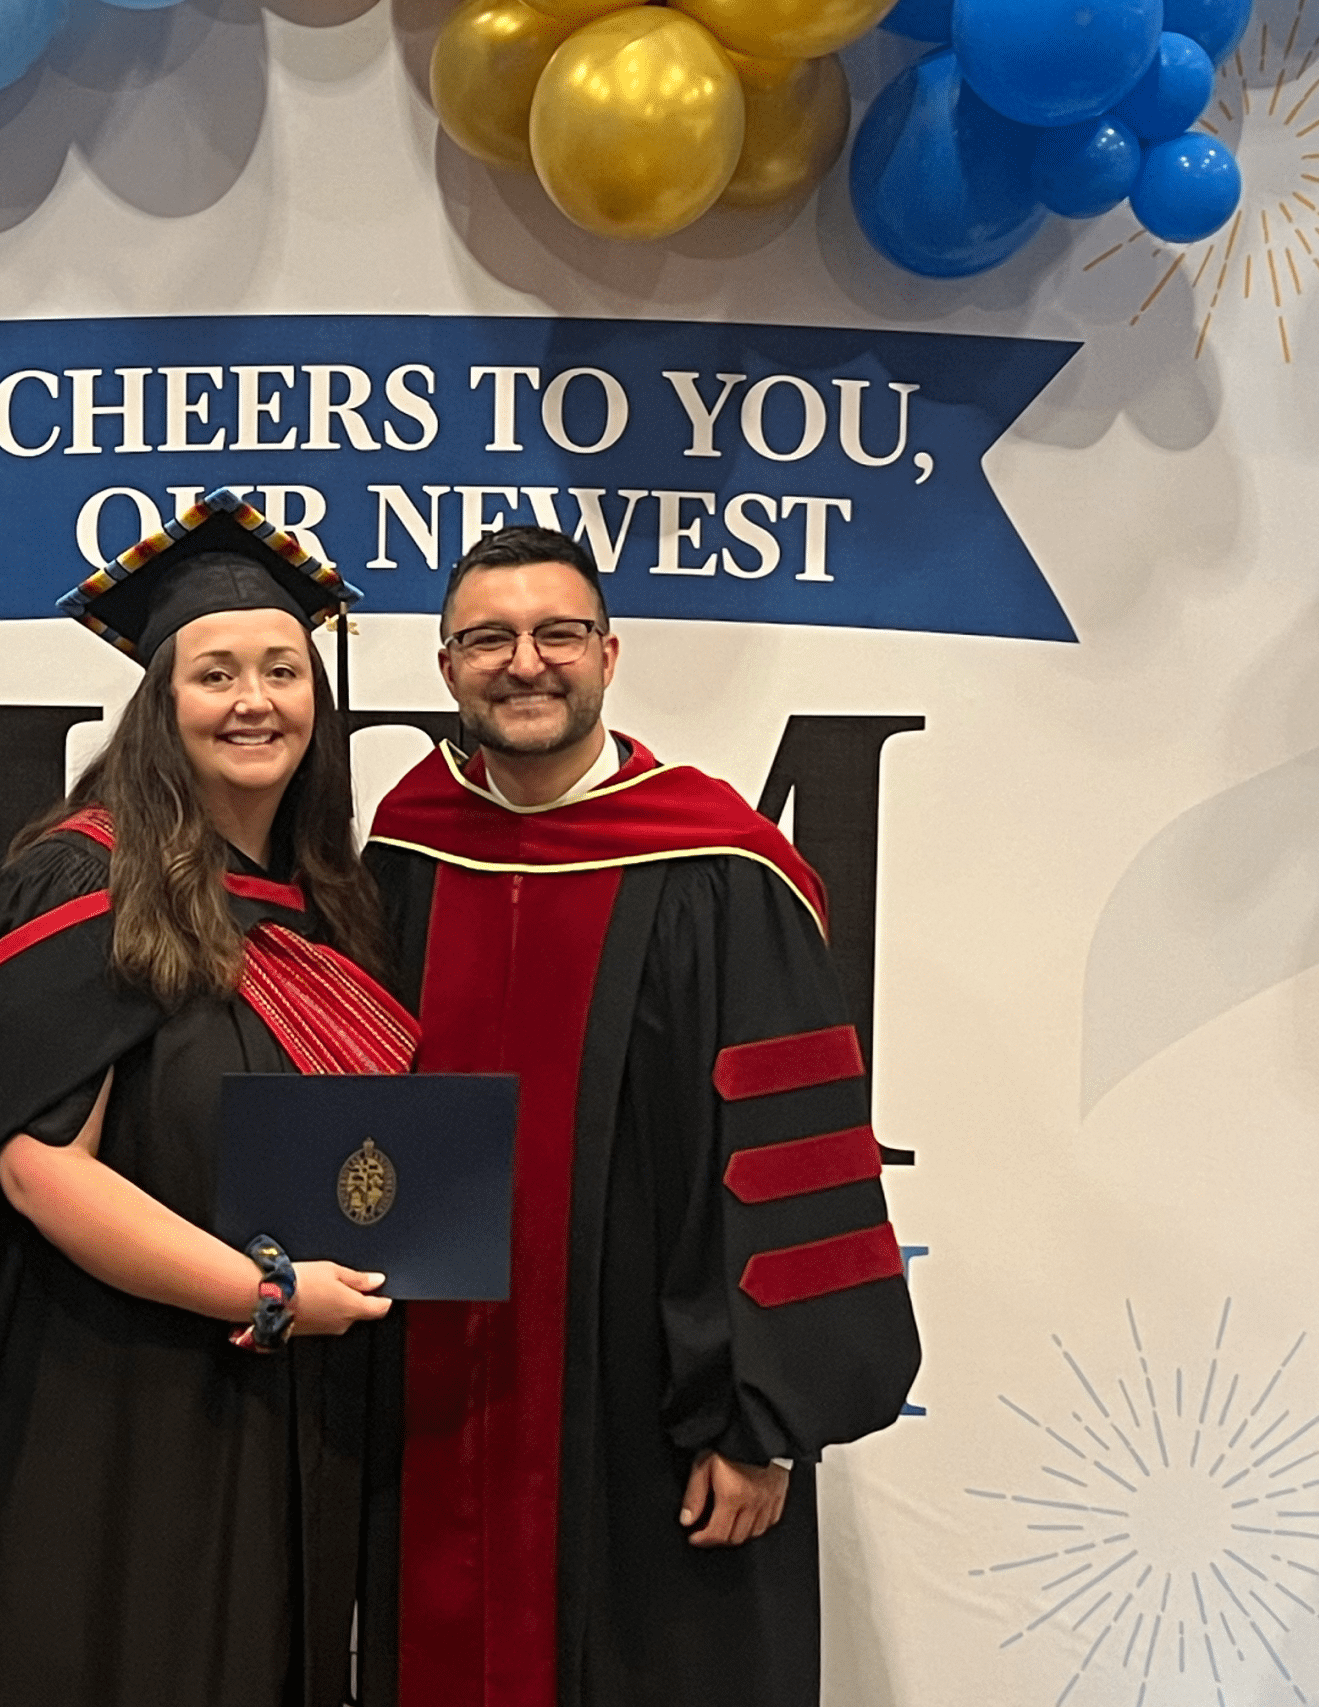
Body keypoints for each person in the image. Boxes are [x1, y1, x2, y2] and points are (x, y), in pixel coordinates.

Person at [0, 491, 417, 1707]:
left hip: (284, 1399)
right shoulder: (86, 881)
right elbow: (39, 1169)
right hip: (110, 1398)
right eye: (215, 673)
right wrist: (264, 1296)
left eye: (281, 669)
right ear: (160, 702)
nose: (254, 700)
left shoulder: (329, 904)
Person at [363, 526, 923, 1707]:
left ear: (608, 655)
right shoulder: (406, 851)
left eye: (557, 634)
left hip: (655, 1404)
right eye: (490, 639)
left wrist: (761, 1423)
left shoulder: (718, 867)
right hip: (435, 1394)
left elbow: (791, 1160)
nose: (526, 663)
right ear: (446, 666)